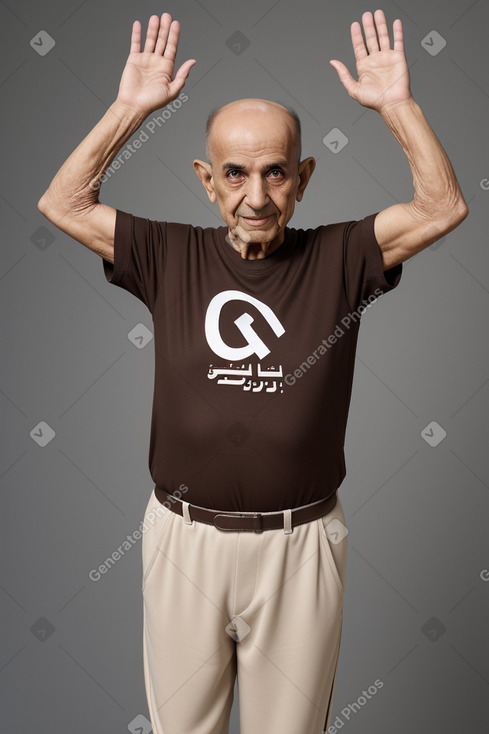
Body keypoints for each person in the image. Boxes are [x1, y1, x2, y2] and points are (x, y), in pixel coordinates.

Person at [38, 9, 468, 734]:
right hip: (183, 542)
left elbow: (441, 205)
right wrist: (130, 109)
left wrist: (396, 105)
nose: (256, 196)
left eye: (275, 173)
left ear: (301, 178)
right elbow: (63, 203)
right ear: (208, 181)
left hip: (300, 545)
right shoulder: (166, 254)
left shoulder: (341, 255)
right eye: (234, 174)